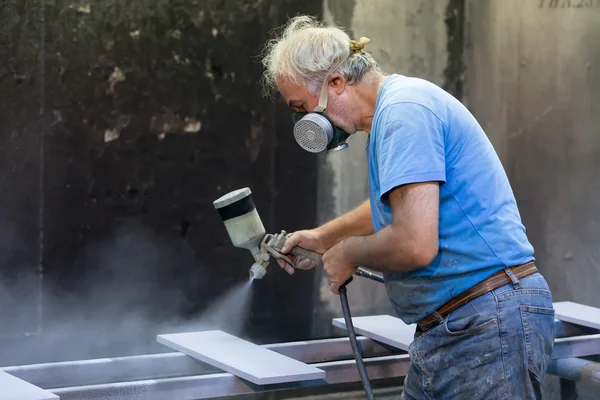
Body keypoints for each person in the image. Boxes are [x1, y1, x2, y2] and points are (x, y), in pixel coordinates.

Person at [259, 15, 555, 400]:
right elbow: (399, 206)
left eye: (301, 107)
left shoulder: (404, 112)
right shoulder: (393, 114)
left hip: (486, 321)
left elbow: (415, 243)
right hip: (457, 326)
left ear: (335, 82)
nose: (304, 120)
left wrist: (347, 253)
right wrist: (324, 237)